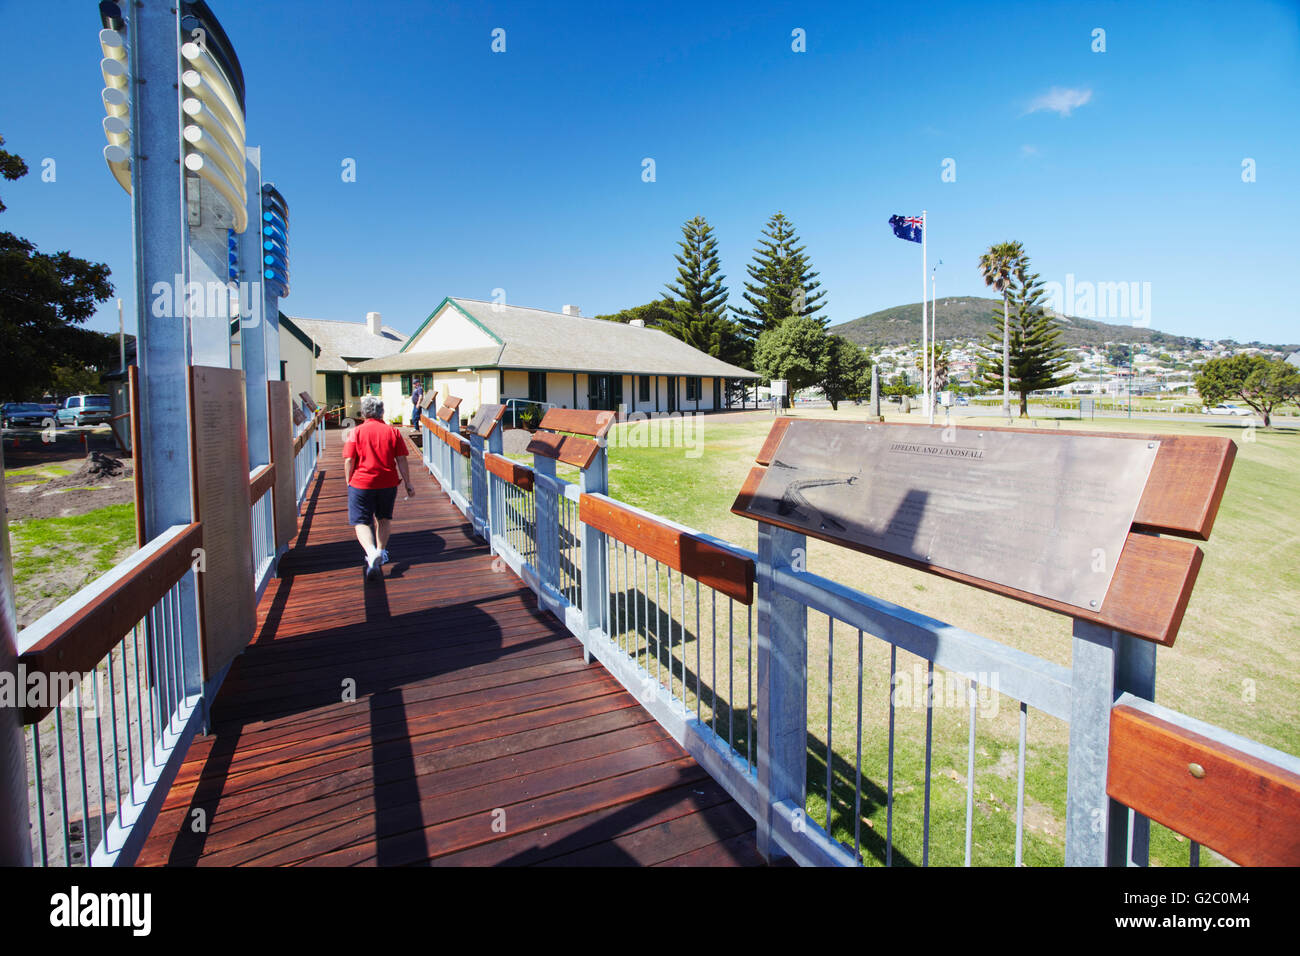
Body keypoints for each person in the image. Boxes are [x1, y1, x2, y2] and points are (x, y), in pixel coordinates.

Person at [343, 394, 415, 581]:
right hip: (387, 482)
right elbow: (401, 459)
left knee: (361, 521)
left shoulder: (356, 432)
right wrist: (408, 483)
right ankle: (381, 552)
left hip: (361, 483)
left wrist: (348, 481)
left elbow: (349, 459)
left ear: (364, 412)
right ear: (381, 412)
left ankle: (371, 551)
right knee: (383, 518)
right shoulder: (393, 432)